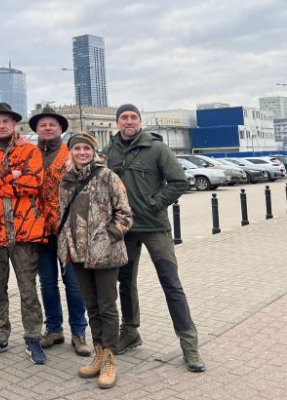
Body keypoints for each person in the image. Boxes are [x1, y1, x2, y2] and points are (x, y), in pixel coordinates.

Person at [103, 104, 205, 372]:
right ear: (117, 123)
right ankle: (130, 332)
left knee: (171, 283)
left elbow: (179, 181)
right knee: (125, 282)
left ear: (139, 122)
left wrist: (154, 203)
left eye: (133, 117)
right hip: (124, 229)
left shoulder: (157, 148)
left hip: (154, 227)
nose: (128, 121)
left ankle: (189, 345)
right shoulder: (109, 151)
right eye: (123, 118)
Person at [0, 102, 47, 364]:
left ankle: (33, 337)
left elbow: (34, 183)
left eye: (6, 121)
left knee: (28, 289)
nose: (1, 125)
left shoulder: (29, 151)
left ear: (14, 124)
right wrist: (10, 176)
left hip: (24, 231)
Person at [58, 132, 133, 390]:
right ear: (71, 152)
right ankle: (99, 352)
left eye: (86, 148)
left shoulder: (107, 176)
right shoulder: (67, 180)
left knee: (107, 305)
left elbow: (125, 213)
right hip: (77, 253)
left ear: (93, 151)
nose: (82, 152)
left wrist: (108, 237)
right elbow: (63, 216)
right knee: (91, 305)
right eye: (77, 148)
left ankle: (110, 357)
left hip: (105, 253)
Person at [29, 106, 90, 356]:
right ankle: (54, 329)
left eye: (52, 124)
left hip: (68, 229)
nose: (47, 128)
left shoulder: (72, 153)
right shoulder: (30, 155)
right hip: (40, 230)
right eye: (42, 125)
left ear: (61, 128)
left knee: (74, 284)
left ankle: (79, 332)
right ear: (36, 129)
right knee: (47, 283)